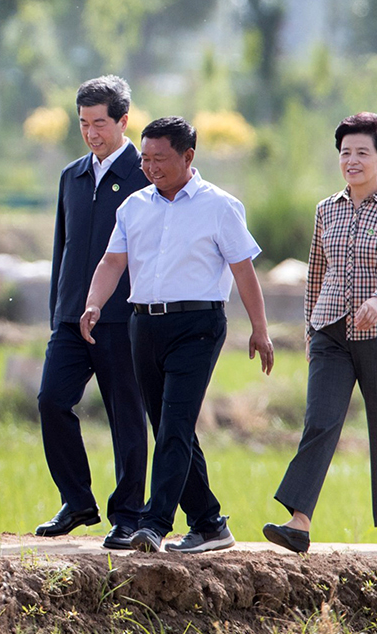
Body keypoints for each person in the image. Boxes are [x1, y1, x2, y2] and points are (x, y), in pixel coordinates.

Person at [80, 116, 274, 554]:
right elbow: (112, 262)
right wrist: (93, 303)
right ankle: (209, 523)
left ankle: (154, 523)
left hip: (198, 326)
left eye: (160, 159)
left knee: (175, 425)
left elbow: (244, 270)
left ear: (188, 156)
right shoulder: (133, 206)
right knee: (170, 427)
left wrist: (260, 329)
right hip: (143, 324)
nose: (150, 167)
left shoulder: (220, 206)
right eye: (145, 159)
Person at [263, 112, 377, 553]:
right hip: (330, 332)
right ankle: (298, 521)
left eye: (362, 153)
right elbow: (316, 271)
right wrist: (311, 328)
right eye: (345, 152)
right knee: (320, 421)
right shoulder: (326, 209)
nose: (351, 160)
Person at [34, 76, 152, 550]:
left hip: (124, 319)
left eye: (99, 123)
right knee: (50, 400)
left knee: (127, 414)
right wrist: (58, 310)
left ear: (124, 120)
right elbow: (61, 250)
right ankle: (77, 500)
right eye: (83, 123)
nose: (91, 133)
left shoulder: (147, 175)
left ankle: (128, 515)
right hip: (70, 318)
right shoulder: (72, 176)